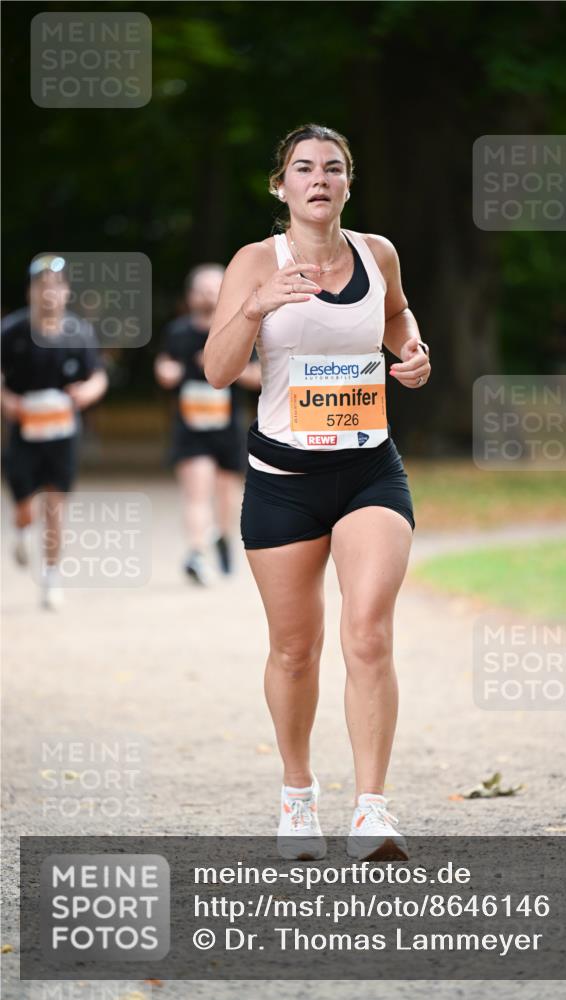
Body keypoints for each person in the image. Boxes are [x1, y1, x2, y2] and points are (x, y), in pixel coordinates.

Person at [203, 124, 430, 862]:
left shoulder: (377, 253)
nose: (318, 178)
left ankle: (372, 811)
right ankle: (297, 796)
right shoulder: (252, 262)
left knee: (367, 632)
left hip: (368, 471)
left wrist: (411, 350)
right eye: (303, 168)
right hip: (282, 481)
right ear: (281, 186)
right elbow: (214, 369)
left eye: (332, 167)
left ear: (347, 184)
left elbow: (395, 313)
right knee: (295, 651)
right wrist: (254, 306)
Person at [1, 255, 108, 608]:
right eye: (42, 286)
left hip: (63, 433)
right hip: (25, 432)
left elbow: (97, 376)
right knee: (23, 502)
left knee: (56, 506)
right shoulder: (12, 331)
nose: (49, 293)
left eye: (56, 287)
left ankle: (50, 576)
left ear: (65, 293)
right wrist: (8, 401)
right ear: (31, 291)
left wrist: (87, 393)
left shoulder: (79, 333)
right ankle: (21, 529)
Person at [154, 264, 260, 584]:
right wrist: (167, 372)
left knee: (227, 495)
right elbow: (164, 365)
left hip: (226, 428)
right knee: (197, 492)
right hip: (191, 427)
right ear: (190, 296)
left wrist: (222, 365)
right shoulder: (178, 331)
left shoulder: (236, 328)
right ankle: (197, 553)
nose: (207, 295)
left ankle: (222, 537)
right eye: (200, 289)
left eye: (214, 288)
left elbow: (257, 377)